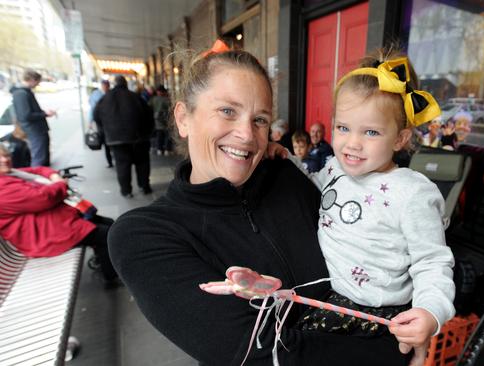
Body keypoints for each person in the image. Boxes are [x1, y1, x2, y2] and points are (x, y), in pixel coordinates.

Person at [107, 47, 411, 365]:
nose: (246, 134)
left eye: (260, 120)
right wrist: (393, 349)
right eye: (227, 111)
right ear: (184, 118)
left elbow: (376, 241)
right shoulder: (143, 235)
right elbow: (259, 353)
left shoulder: (287, 177)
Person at [279, 50, 455, 366]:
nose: (352, 143)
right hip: (327, 305)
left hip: (378, 322)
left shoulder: (411, 193)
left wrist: (430, 311)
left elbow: (432, 262)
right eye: (343, 128)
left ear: (400, 138)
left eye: (371, 132)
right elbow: (310, 184)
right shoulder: (333, 169)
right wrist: (285, 158)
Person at [0, 143, 118, 287]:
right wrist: (60, 183)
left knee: (109, 224)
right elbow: (43, 199)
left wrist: (54, 177)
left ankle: (104, 263)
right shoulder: (2, 188)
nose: (4, 160)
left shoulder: (11, 174)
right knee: (107, 235)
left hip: (54, 223)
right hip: (43, 235)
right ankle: (110, 277)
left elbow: (40, 169)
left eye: (5, 155)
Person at [93, 75, 154, 198]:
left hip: (116, 140)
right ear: (125, 83)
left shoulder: (105, 99)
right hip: (139, 137)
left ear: (115, 84)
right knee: (142, 163)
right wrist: (148, 133)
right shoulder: (135, 97)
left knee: (122, 165)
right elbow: (148, 115)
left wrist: (107, 130)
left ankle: (126, 191)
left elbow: (96, 117)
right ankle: (144, 186)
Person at [10, 70, 57, 166]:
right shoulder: (21, 93)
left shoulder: (25, 92)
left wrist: (44, 113)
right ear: (31, 80)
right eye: (37, 81)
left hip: (37, 129)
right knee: (39, 157)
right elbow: (26, 115)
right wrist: (45, 114)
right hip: (34, 130)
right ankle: (38, 177)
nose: (38, 84)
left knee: (42, 155)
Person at [88, 80, 113, 167]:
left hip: (107, 123)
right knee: (107, 143)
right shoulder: (98, 95)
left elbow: (93, 109)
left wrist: (91, 121)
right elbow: (93, 110)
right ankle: (110, 160)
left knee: (107, 142)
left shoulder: (98, 95)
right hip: (105, 123)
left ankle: (110, 159)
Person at [148, 84, 172, 156]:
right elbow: (171, 108)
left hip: (156, 120)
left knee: (159, 135)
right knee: (167, 135)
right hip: (166, 119)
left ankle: (159, 149)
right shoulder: (166, 99)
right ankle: (167, 149)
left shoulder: (153, 99)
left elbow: (148, 106)